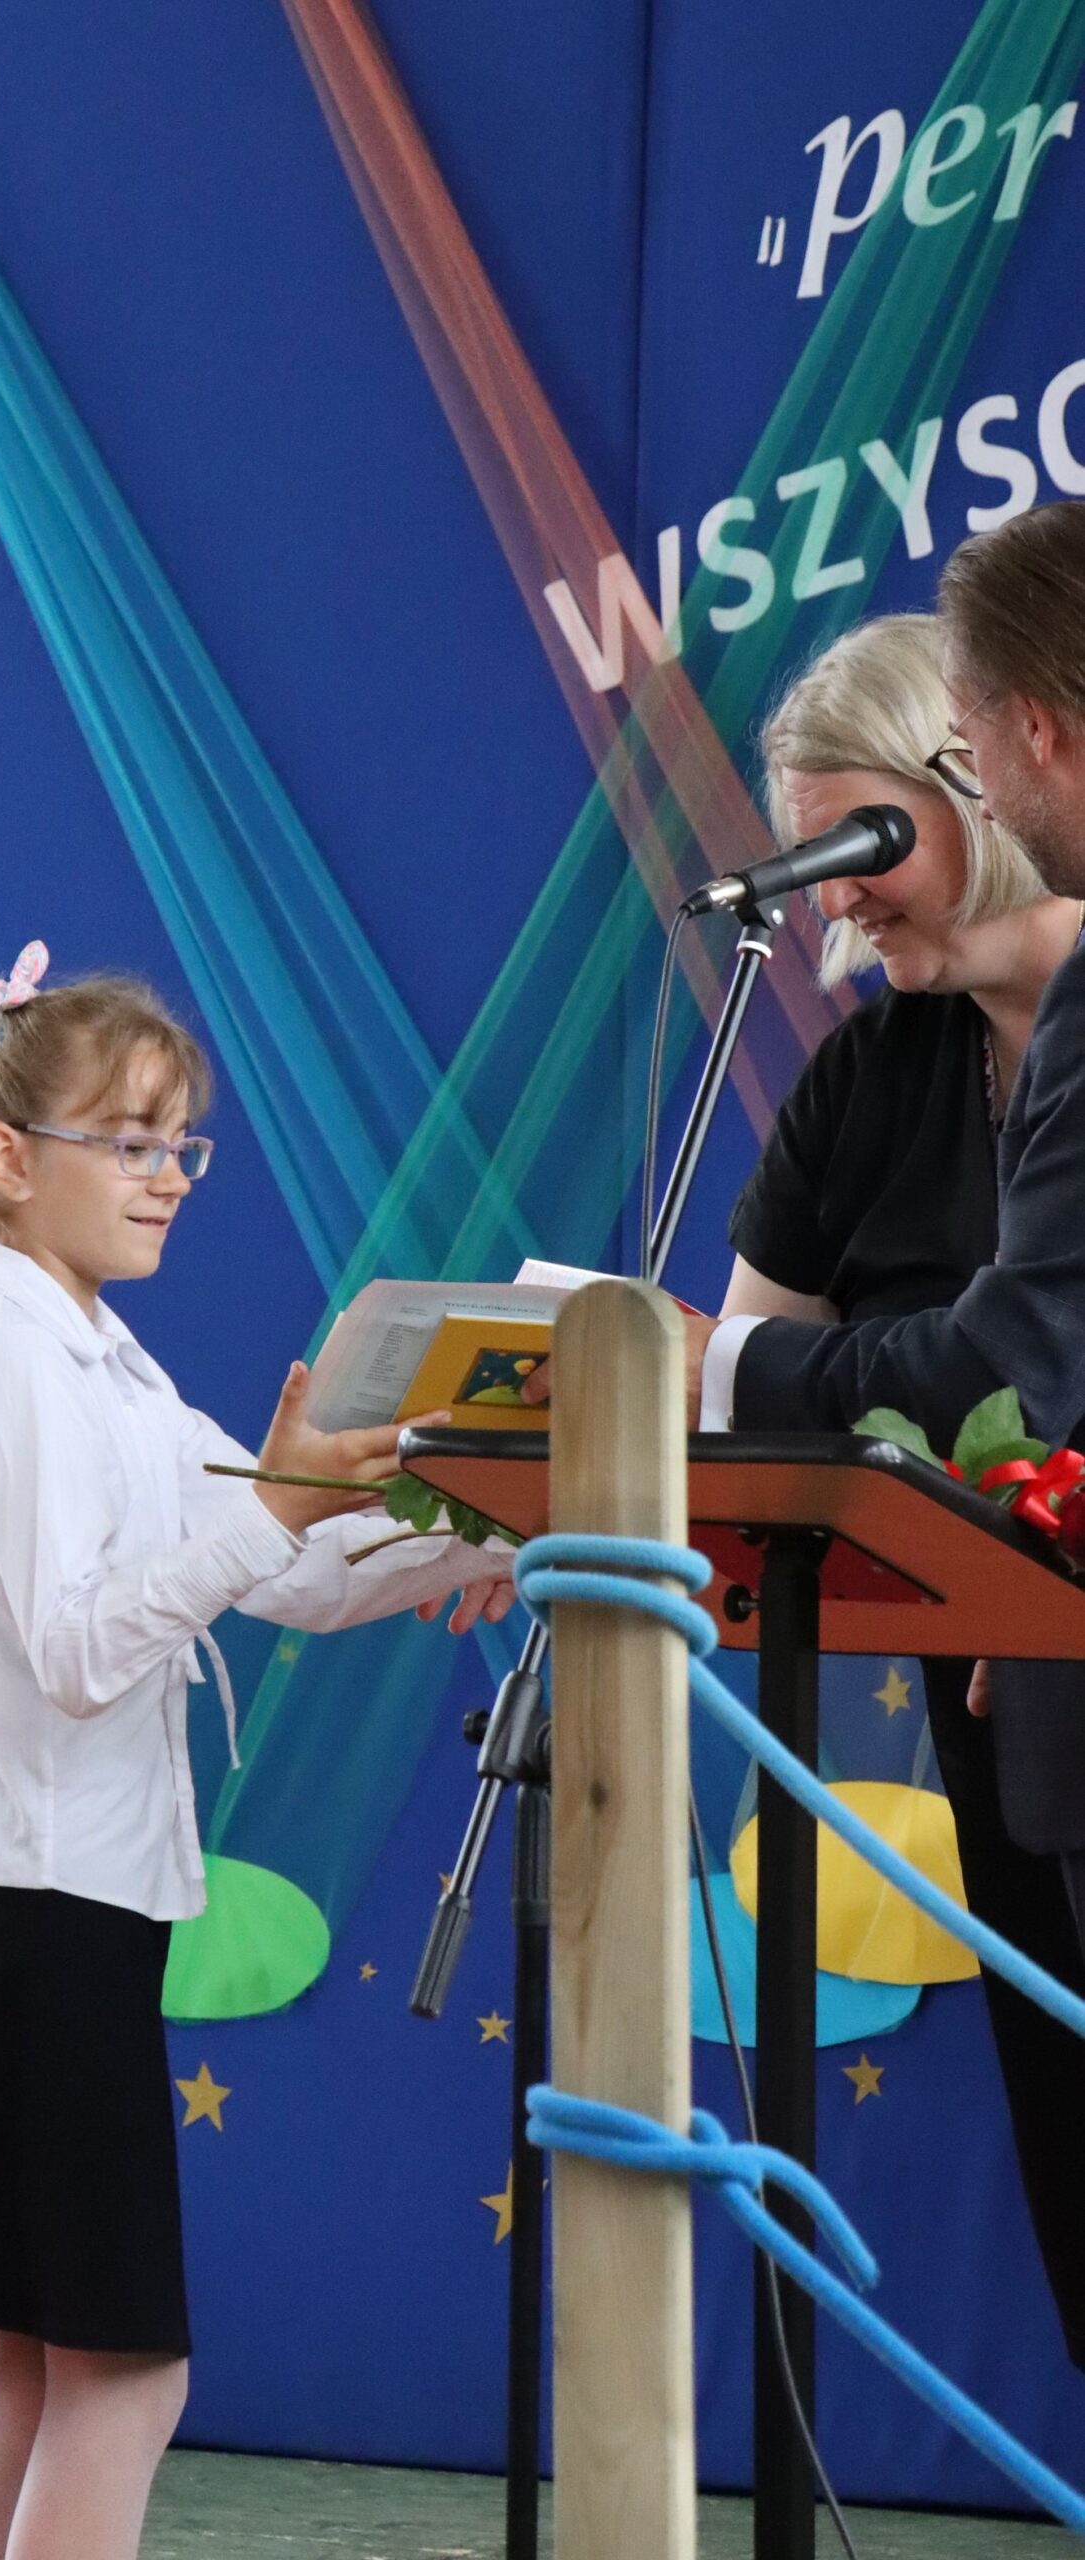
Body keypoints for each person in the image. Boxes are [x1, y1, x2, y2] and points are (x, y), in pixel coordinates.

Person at [0, 945, 513, 2560]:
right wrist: (272, 1506)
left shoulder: (109, 1364)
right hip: (25, 1912)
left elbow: (285, 1568)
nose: (166, 1178)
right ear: (7, 1160)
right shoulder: (11, 1356)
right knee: (125, 2375)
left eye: (178, 1146)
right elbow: (82, 1650)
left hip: (61, 1907)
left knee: (44, 2368)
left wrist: (478, 1534)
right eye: (129, 1143)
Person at [719, 611, 1085, 2367]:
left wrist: (723, 1372)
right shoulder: (871, 1071)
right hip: (997, 1704)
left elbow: (982, 1366)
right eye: (812, 857)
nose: (836, 896)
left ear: (985, 781)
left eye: (862, 838)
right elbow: (727, 1377)